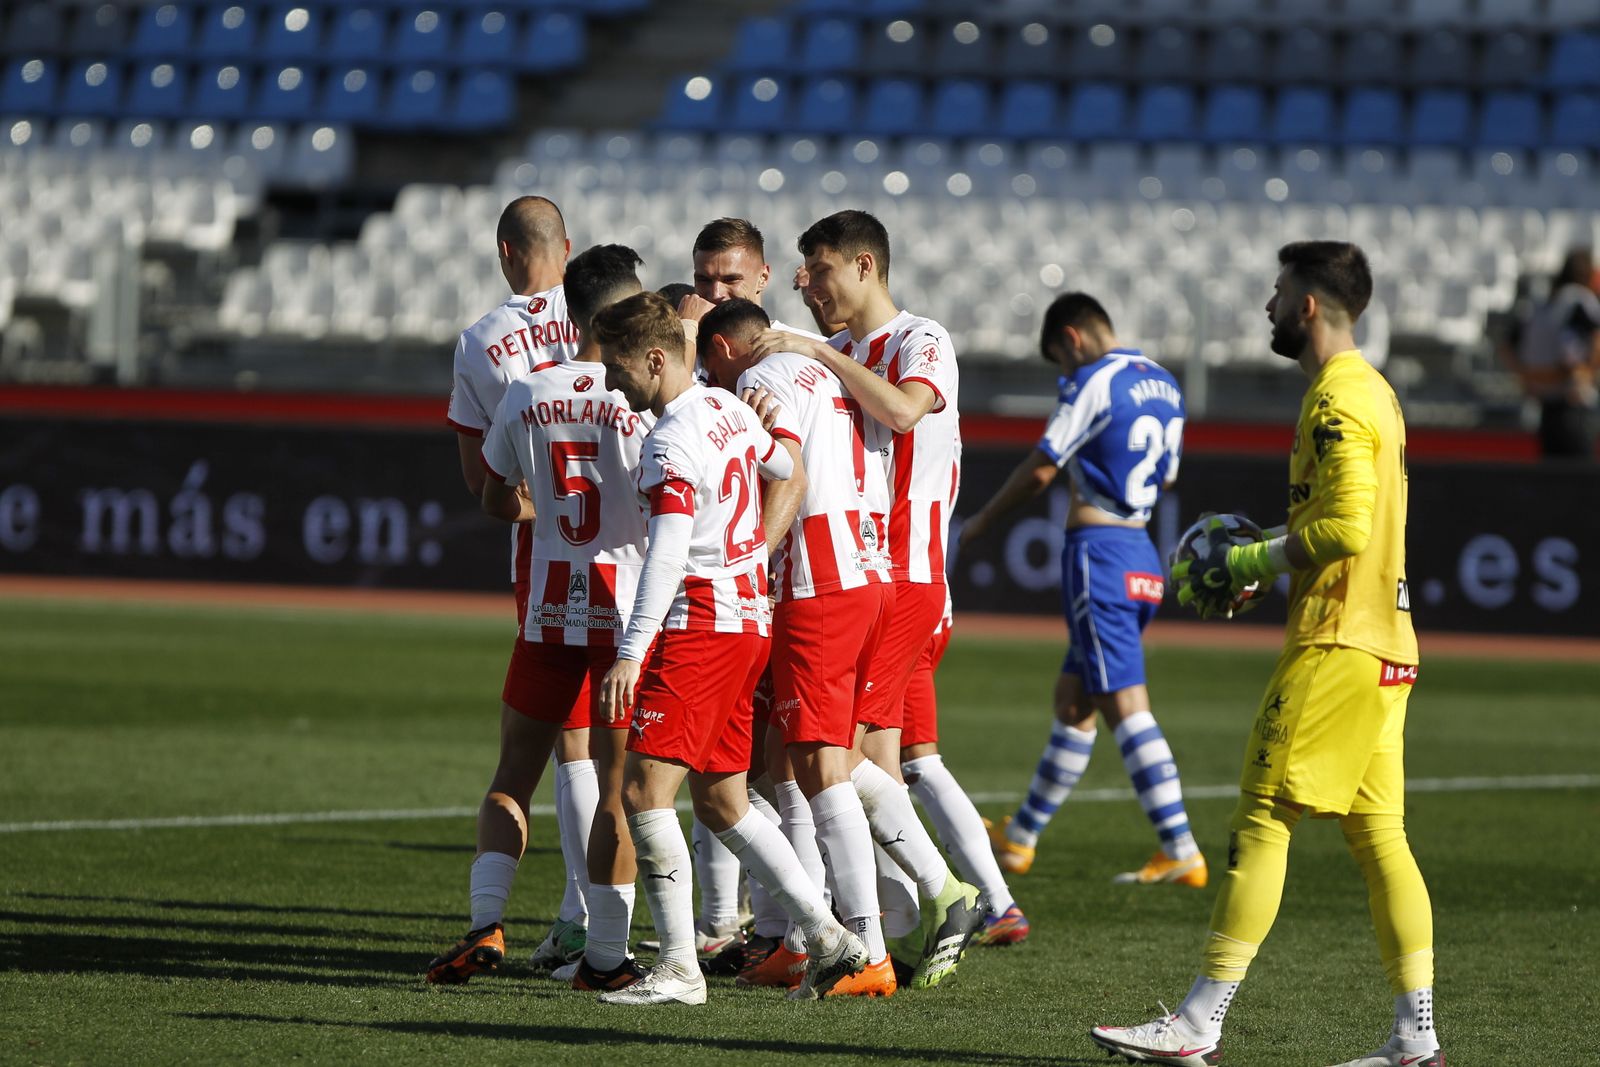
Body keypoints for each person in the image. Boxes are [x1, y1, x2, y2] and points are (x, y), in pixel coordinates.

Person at [1091, 242, 1441, 1067]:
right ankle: (1415, 1037)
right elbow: (1346, 523)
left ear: (1310, 306)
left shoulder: (1337, 398)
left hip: (1339, 641)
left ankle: (1198, 1023)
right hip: (1387, 642)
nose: (1267, 305)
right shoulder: (1374, 392)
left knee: (1262, 817)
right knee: (1380, 837)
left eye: (1278, 292)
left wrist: (1247, 560)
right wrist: (1272, 547)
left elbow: (1348, 528)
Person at [590, 292, 868, 1006]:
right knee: (721, 800)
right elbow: (780, 463)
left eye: (618, 367)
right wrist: (772, 438)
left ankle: (680, 967)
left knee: (643, 793)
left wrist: (630, 651)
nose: (611, 382)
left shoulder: (671, 439)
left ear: (656, 358)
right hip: (749, 621)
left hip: (703, 625)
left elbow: (667, 554)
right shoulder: (728, 409)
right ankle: (831, 939)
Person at [748, 210, 985, 988]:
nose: (802, 283)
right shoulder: (844, 352)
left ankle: (922, 908)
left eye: (815, 268)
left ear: (863, 266)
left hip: (906, 572)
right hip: (863, 570)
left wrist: (814, 350)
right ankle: (880, 917)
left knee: (851, 756)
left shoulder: (923, 339)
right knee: (827, 753)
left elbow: (906, 410)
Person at [425, 242, 646, 988]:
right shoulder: (639, 398)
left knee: (510, 776)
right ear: (620, 312)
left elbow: (493, 497)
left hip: (549, 605)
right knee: (615, 788)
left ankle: (485, 923)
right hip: (620, 615)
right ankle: (607, 956)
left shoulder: (527, 392)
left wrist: (542, 509)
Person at [961, 293, 1206, 890]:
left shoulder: (1095, 379)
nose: (1063, 376)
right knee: (1075, 700)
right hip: (1142, 552)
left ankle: (1180, 848)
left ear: (1072, 338)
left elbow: (1044, 466)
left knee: (1126, 705)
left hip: (1100, 557)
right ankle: (1020, 838)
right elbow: (1167, 475)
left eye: (1060, 363)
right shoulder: (1166, 384)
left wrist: (984, 521)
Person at [698, 298, 900, 995]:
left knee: (820, 764)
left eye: (708, 366)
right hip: (865, 569)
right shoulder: (829, 371)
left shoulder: (773, 378)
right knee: (796, 760)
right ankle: (794, 937)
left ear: (724, 348)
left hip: (819, 580)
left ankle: (868, 949)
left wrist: (747, 559)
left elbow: (790, 474)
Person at [432, 196, 592, 979]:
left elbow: (484, 486)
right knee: (614, 750)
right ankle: (590, 918)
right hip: (632, 558)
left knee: (548, 748)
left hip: (546, 556)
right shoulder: (617, 315)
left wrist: (547, 503)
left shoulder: (482, 342)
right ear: (568, 247)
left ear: (504, 251)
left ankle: (553, 918)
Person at [1514, 248, 1600, 459]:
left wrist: (1529, 376)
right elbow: (1581, 343)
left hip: (1546, 410)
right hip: (1572, 408)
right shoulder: (1580, 301)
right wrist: (1583, 372)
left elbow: (1510, 343)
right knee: (1581, 485)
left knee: (1553, 482)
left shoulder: (1546, 303)